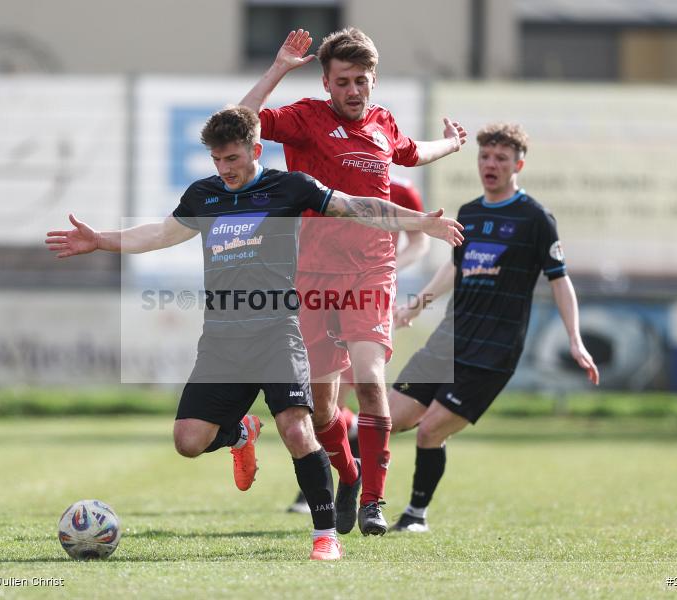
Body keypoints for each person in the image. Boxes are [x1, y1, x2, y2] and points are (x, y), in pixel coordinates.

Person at [44, 106, 463, 559]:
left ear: (255, 150)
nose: (224, 170)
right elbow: (162, 233)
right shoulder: (203, 196)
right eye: (217, 160)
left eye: (232, 159)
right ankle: (241, 433)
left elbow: (357, 207)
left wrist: (421, 222)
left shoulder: (289, 187)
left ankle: (326, 537)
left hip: (277, 334)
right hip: (222, 341)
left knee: (297, 430)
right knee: (188, 442)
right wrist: (101, 239)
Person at [240, 28, 467, 535]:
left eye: (361, 80)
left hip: (371, 270)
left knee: (368, 379)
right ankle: (348, 474)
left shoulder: (382, 123)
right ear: (326, 82)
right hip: (314, 276)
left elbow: (411, 152)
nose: (353, 90)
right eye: (343, 81)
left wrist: (450, 144)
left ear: (373, 80)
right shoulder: (304, 117)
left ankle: (374, 502)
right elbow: (242, 124)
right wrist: (278, 67)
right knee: (323, 413)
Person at [387, 123, 600, 533]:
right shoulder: (469, 213)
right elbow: (454, 268)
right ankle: (348, 493)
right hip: (447, 341)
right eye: (485, 156)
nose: (491, 164)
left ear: (518, 164)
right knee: (385, 420)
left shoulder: (536, 219)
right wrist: (417, 304)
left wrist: (575, 339)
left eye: (501, 158)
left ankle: (415, 515)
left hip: (493, 351)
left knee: (429, 430)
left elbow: (560, 280)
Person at [286, 175, 428, 514]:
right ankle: (338, 468)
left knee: (364, 384)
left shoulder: (402, 188)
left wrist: (389, 269)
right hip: (322, 295)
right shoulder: (325, 185)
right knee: (324, 404)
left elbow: (418, 243)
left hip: (370, 296)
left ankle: (355, 494)